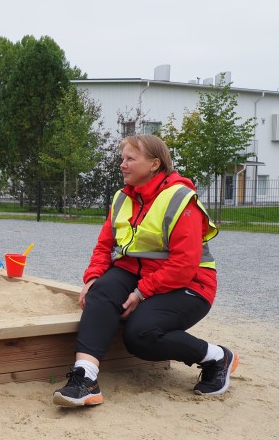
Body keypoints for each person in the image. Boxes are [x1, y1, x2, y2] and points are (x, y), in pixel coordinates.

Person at [53, 134, 238, 408]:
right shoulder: (122, 198)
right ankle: (85, 379)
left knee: (141, 334)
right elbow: (104, 246)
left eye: (130, 158)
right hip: (136, 273)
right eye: (122, 158)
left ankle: (217, 357)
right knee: (100, 290)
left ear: (154, 164)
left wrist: (141, 292)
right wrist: (92, 278)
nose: (123, 164)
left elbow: (184, 265)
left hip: (190, 284)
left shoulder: (180, 199)